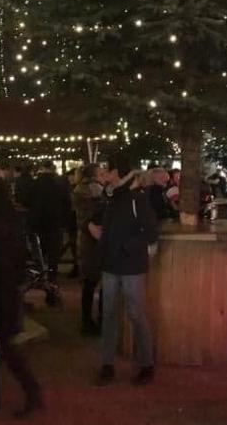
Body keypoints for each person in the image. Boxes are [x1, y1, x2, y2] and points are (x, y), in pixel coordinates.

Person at [95, 153, 159, 386]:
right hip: (112, 264)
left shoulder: (135, 198)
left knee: (135, 314)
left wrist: (125, 246)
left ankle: (146, 364)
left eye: (107, 170)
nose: (104, 174)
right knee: (109, 314)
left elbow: (151, 232)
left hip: (130, 266)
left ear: (116, 172)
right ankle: (108, 363)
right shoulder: (113, 196)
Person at [0, 176, 43, 416]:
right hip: (8, 290)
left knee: (0, 344)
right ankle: (23, 391)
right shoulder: (12, 218)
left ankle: (30, 391)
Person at [73, 163, 107, 335]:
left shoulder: (79, 189)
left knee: (89, 282)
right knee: (101, 281)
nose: (104, 175)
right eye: (101, 173)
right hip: (95, 240)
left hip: (85, 240)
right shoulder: (96, 191)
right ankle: (100, 320)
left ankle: (86, 321)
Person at [26, 160, 72, 284]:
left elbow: (27, 201)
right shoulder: (61, 183)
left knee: (40, 254)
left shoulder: (35, 183)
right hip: (55, 223)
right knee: (53, 256)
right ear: (53, 168)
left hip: (38, 224)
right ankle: (52, 279)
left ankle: (40, 277)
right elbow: (67, 204)